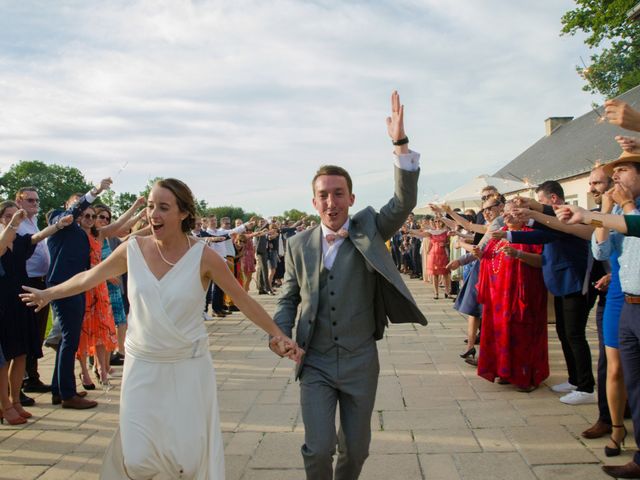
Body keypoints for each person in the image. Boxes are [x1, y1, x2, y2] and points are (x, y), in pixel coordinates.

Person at [21, 178, 301, 478]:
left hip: (188, 368)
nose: (153, 214)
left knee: (187, 458)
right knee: (139, 457)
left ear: (183, 213)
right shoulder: (133, 249)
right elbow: (88, 277)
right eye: (151, 206)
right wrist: (48, 294)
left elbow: (245, 301)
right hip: (142, 366)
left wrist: (278, 333)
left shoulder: (203, 256)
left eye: (163, 208)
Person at [272, 91, 427, 480]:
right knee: (318, 447)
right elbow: (290, 297)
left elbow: (404, 200)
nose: (331, 202)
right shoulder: (296, 245)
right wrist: (277, 331)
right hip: (315, 360)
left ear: (351, 198)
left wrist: (399, 144)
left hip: (360, 359)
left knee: (356, 450)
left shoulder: (370, 226)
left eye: (338, 194)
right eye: (323, 195)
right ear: (313, 201)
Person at [0, 203, 73, 424]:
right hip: (2, 305)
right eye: (8, 216)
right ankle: (4, 406)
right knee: (3, 359)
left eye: (15, 216)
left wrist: (59, 225)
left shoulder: (20, 241)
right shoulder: (3, 241)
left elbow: (38, 237)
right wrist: (13, 224)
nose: (14, 219)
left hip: (21, 301)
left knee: (21, 353)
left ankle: (16, 401)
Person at [46, 178, 113, 409]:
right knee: (69, 340)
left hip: (76, 287)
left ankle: (59, 389)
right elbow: (71, 213)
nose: (84, 212)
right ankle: (67, 394)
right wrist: (96, 191)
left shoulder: (82, 233)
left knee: (68, 340)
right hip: (63, 287)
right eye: (79, 206)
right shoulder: (58, 218)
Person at [478, 201, 547, 391]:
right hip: (500, 298)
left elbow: (542, 261)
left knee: (523, 334)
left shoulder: (532, 234)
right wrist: (479, 254)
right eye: (505, 213)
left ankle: (527, 377)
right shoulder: (498, 234)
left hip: (524, 295)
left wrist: (518, 253)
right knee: (503, 335)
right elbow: (489, 257)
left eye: (512, 214)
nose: (507, 217)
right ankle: (506, 372)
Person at [14, 187, 51, 397]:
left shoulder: (32, 221)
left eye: (37, 200)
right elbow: (31, 242)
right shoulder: (17, 224)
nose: (35, 204)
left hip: (40, 282)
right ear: (19, 202)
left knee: (36, 333)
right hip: (25, 282)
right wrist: (53, 228)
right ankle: (20, 382)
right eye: (30, 200)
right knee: (25, 334)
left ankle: (32, 376)